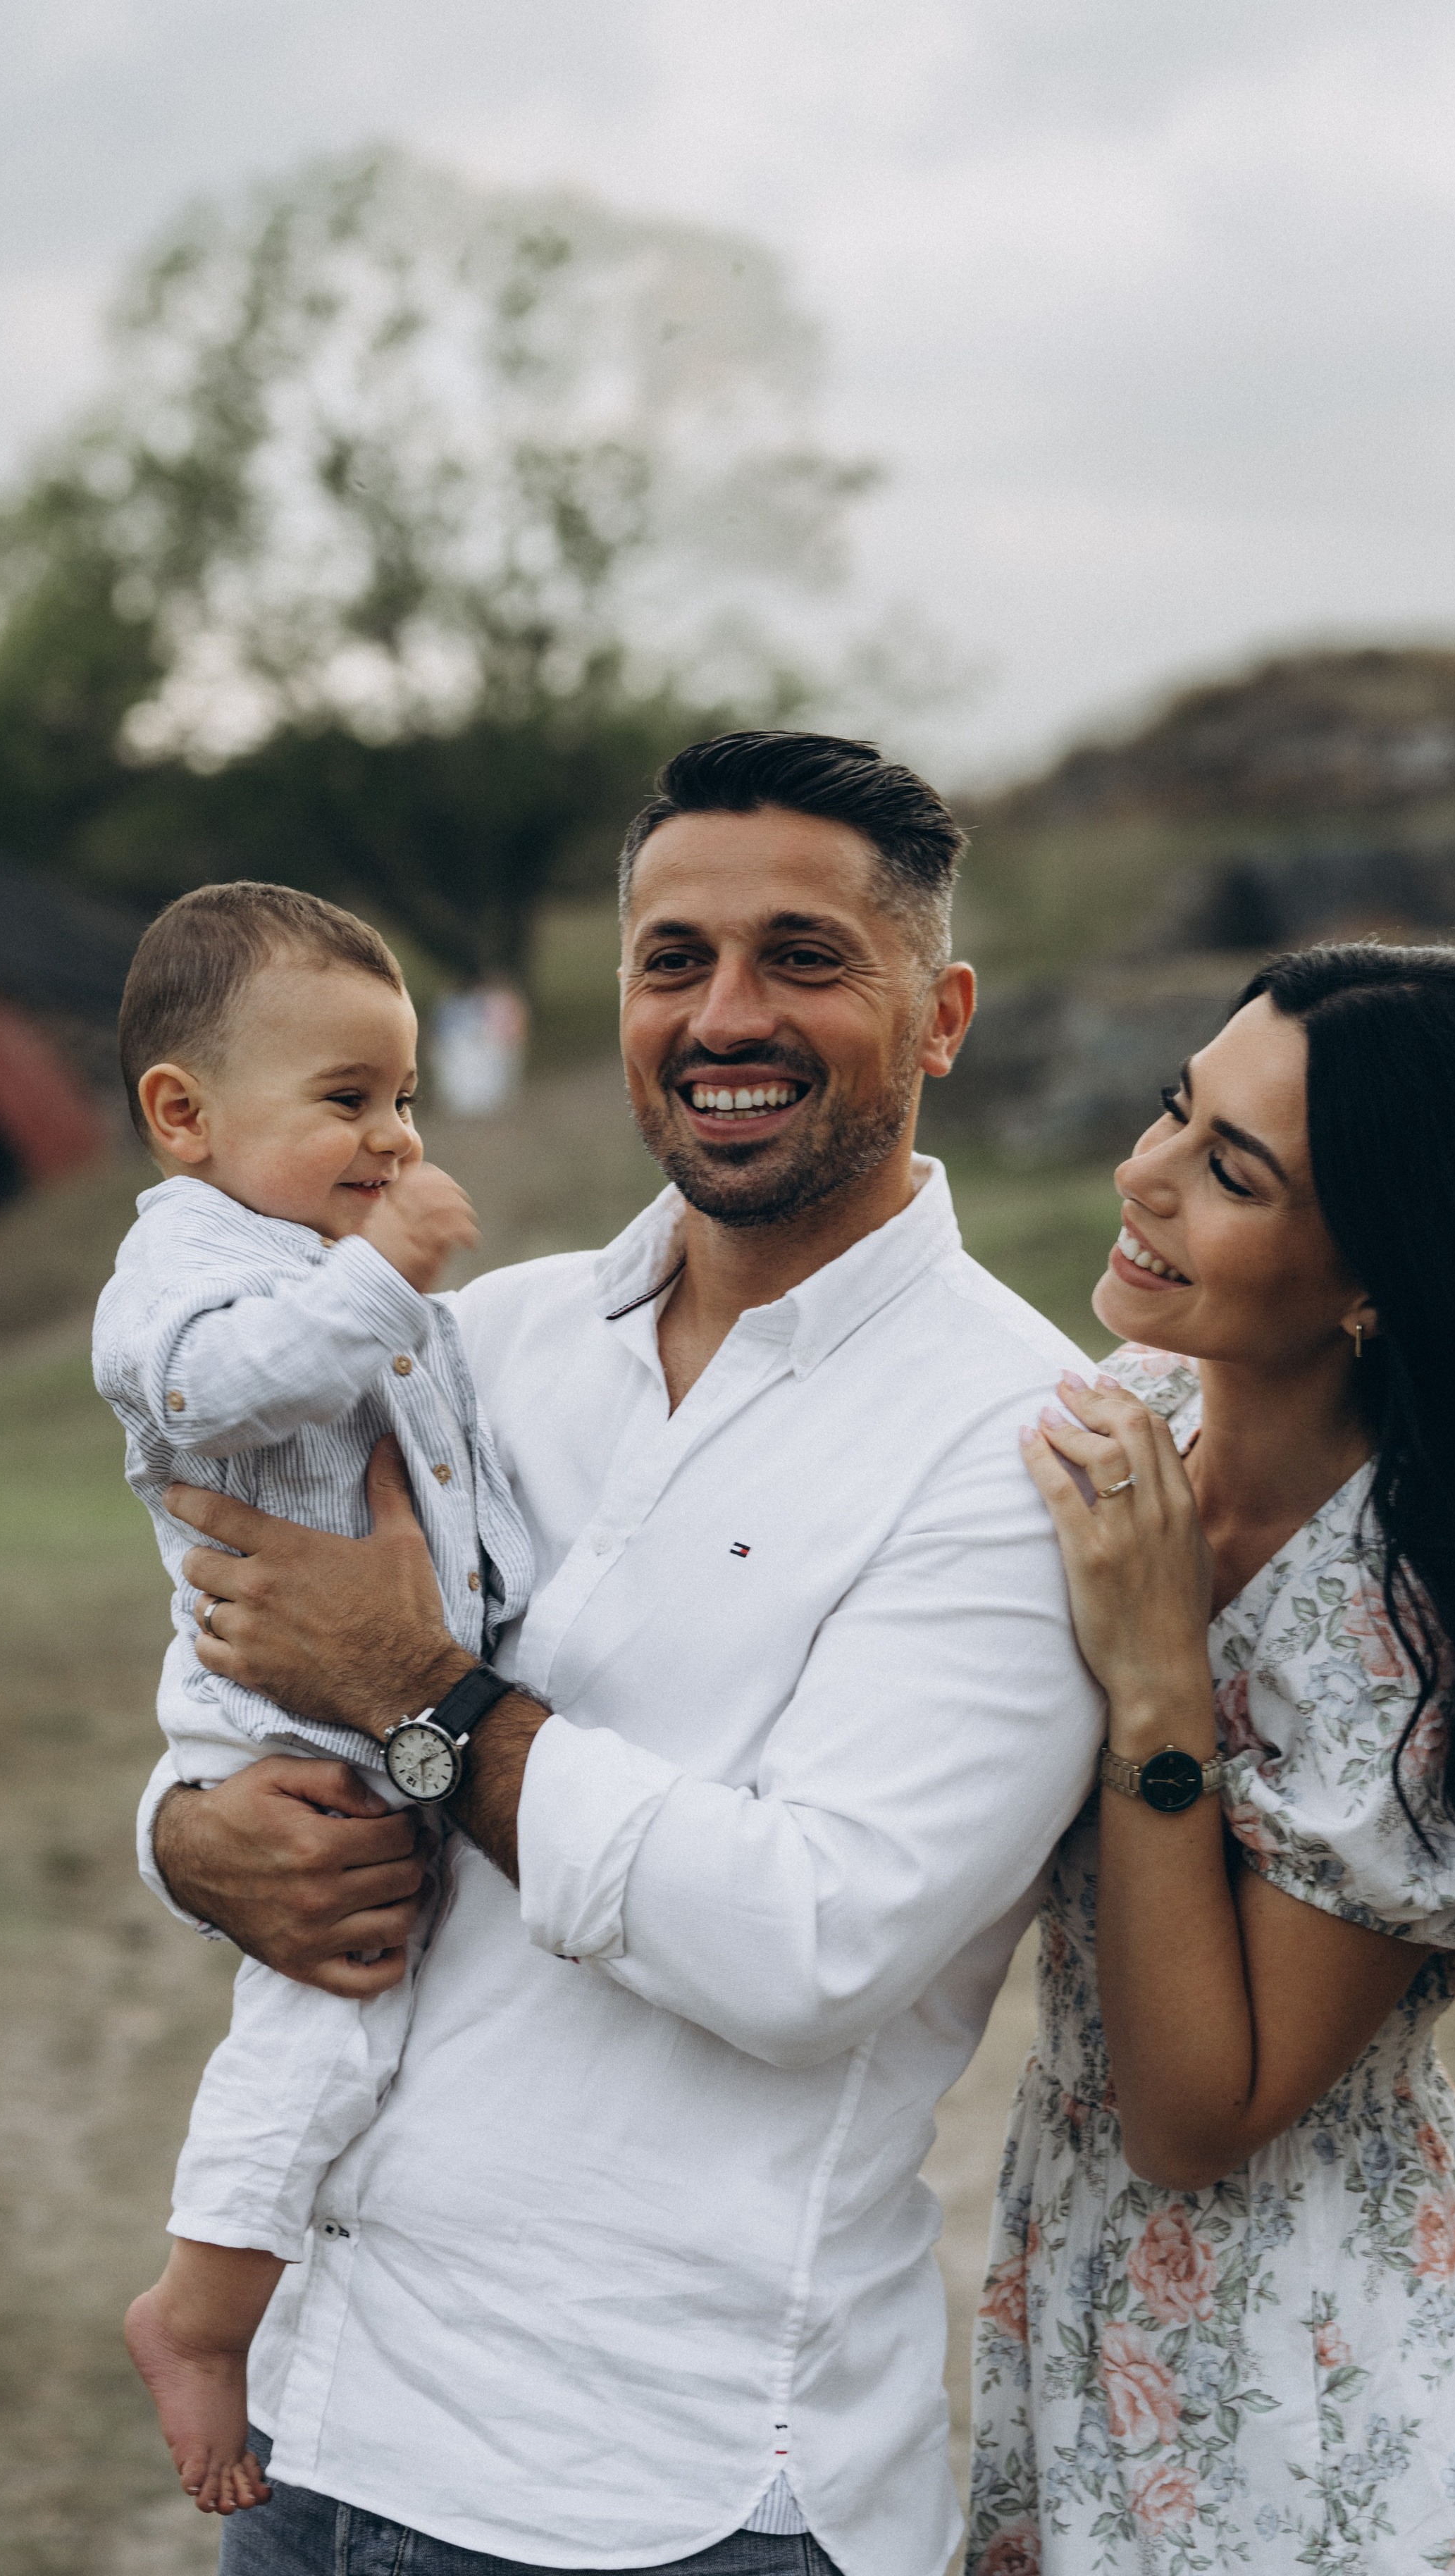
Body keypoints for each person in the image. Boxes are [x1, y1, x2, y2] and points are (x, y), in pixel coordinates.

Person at [132, 731, 1104, 2576]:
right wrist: (191, 1843)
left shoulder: (1019, 1440)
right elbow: (257, 1694)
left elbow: (811, 1943)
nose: (723, 1014)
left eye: (803, 958)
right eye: (675, 962)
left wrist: (425, 1700)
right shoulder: (477, 1335)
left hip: (666, 2487)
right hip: (318, 2415)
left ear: (943, 1010)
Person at [969, 941, 1455, 2576]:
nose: (1138, 1175)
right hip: (1078, 2287)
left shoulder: (1419, 1627)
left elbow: (1192, 2115)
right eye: (1173, 1112)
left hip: (1319, 2389)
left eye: (1227, 1171)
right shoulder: (1124, 1417)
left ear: (1376, 1275)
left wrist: (1160, 1682)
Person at [94, 881, 534, 2516]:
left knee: (384, 2032)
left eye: (405, 1099)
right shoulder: (189, 1265)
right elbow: (208, 1392)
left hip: (379, 1705)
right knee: (325, 2027)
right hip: (277, 1728)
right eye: (346, 1102)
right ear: (182, 1115)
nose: (393, 1139)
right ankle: (197, 2319)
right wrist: (382, 1275)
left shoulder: (313, 1250)